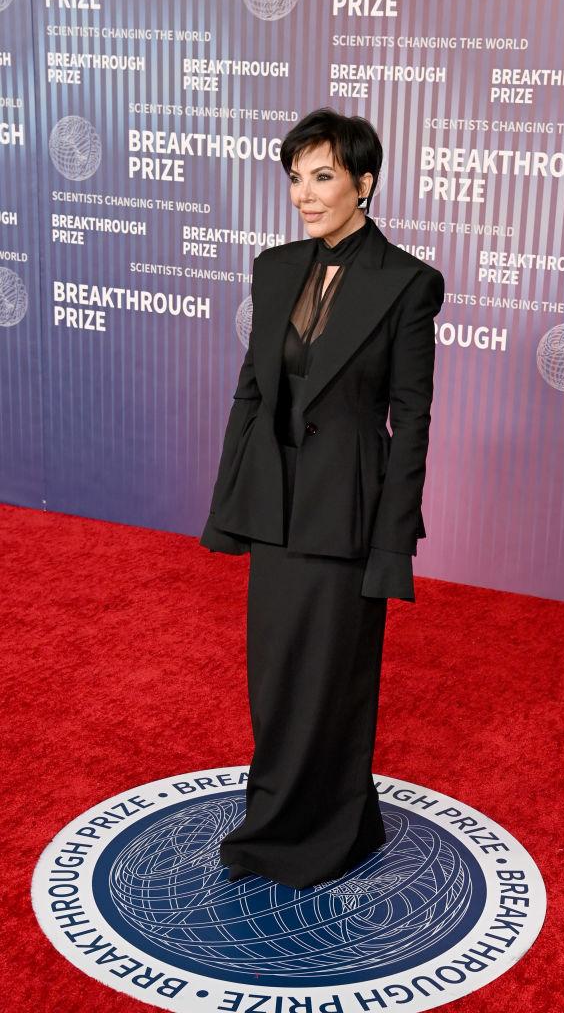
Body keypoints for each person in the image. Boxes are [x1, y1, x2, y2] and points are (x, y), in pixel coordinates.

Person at [199, 107, 445, 889]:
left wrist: (392, 544)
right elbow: (251, 394)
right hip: (275, 508)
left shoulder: (407, 283)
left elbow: (410, 424)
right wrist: (230, 507)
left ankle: (331, 835)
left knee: (330, 681)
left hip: (346, 512)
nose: (304, 194)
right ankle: (273, 823)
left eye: (323, 176)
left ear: (363, 183)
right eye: (295, 177)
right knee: (275, 678)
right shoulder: (274, 268)